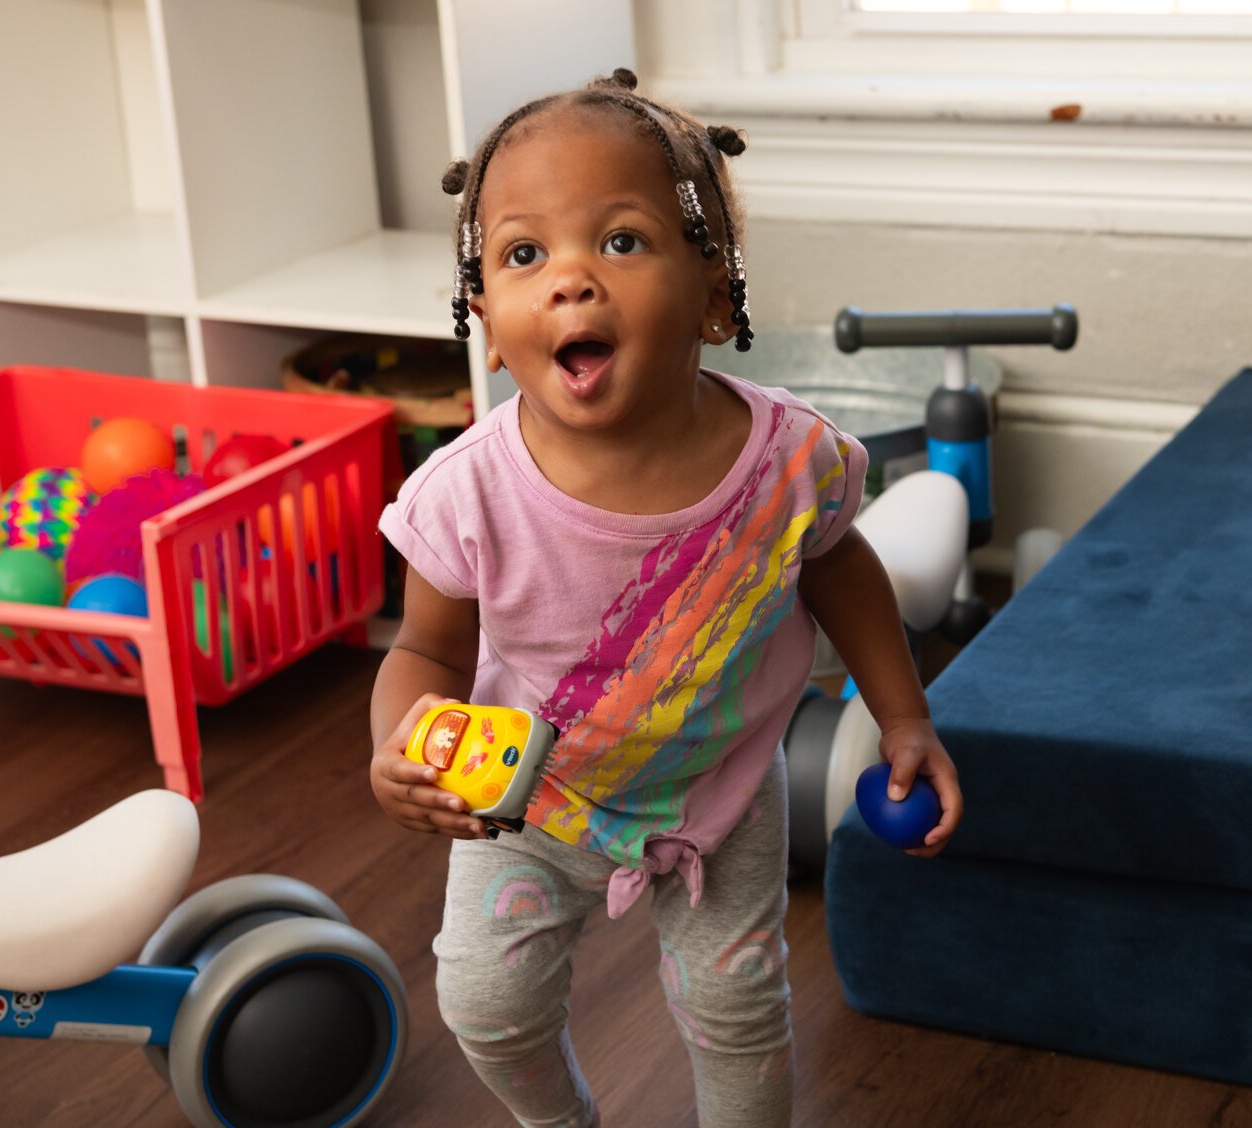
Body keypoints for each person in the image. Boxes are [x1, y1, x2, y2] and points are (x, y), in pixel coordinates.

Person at [369, 67, 962, 1128]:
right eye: (522, 254)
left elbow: (839, 566)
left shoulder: (789, 461)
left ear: (716, 292)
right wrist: (400, 750)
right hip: (526, 806)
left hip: (717, 797)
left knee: (735, 1009)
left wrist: (903, 713)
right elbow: (420, 653)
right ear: (487, 324)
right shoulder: (463, 494)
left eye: (622, 240)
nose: (569, 281)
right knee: (485, 1003)